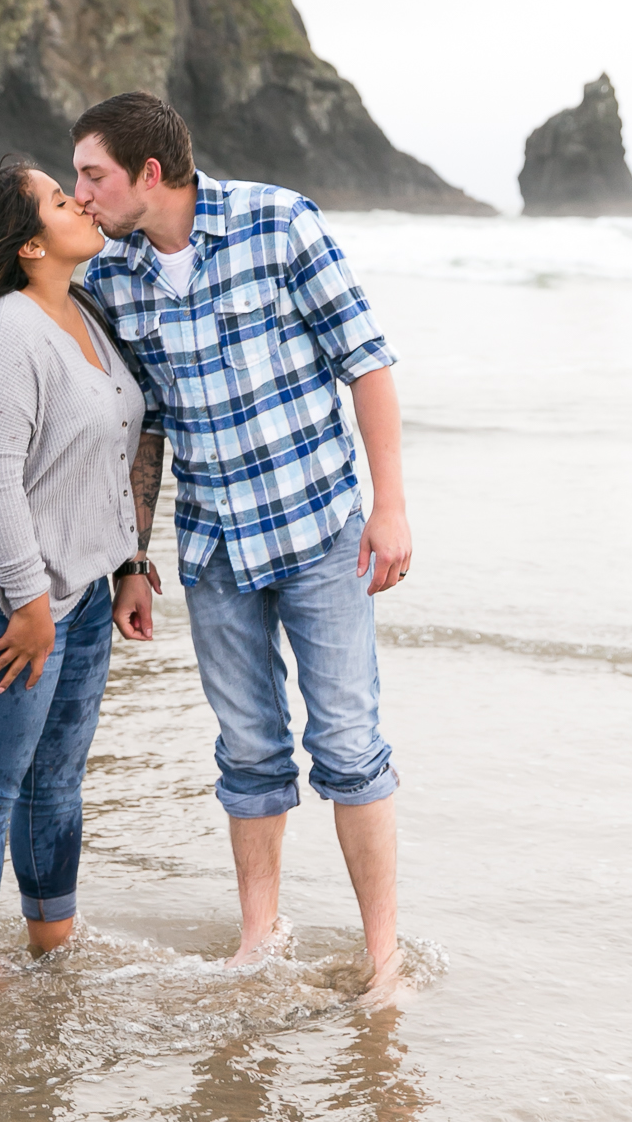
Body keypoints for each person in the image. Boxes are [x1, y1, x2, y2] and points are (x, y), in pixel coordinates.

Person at [73, 92, 411, 1002]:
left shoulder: (277, 222)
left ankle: (384, 958)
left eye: (92, 175)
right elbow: (142, 431)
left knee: (347, 743)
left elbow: (366, 361)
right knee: (249, 749)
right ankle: (258, 936)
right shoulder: (111, 278)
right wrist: (131, 559)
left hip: (320, 533)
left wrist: (391, 509)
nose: (81, 196)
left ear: (149, 173)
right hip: (216, 549)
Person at [0, 161, 147, 989]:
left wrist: (128, 565)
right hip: (2, 606)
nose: (79, 199)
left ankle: (54, 954)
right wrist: (29, 603)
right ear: (30, 244)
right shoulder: (6, 333)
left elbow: (104, 457)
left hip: (76, 595)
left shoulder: (77, 313)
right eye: (58, 197)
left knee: (54, 786)